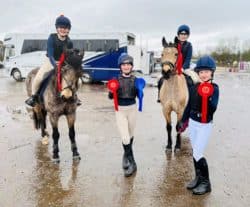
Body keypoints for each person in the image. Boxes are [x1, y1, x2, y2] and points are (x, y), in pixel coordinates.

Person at [178, 55, 219, 195]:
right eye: (201, 72)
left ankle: (206, 183)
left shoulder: (214, 88)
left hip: (204, 124)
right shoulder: (194, 87)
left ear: (212, 72)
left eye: (206, 71)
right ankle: (198, 178)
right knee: (195, 152)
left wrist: (206, 97)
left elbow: (213, 107)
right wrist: (183, 121)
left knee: (198, 153)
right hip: (193, 123)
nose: (203, 74)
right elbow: (188, 106)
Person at [25, 15, 74, 106]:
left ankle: (74, 96)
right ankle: (34, 97)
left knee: (77, 80)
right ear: (57, 28)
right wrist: (55, 65)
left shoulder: (69, 42)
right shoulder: (51, 38)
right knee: (38, 78)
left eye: (66, 28)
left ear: (69, 29)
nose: (63, 29)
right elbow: (51, 54)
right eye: (61, 27)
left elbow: (70, 56)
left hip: (63, 63)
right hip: (50, 61)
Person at [108, 53, 141, 177]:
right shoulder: (115, 80)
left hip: (132, 109)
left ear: (131, 66)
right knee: (125, 137)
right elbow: (110, 96)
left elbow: (139, 95)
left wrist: (140, 91)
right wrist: (112, 92)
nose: (126, 67)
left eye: (128, 65)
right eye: (124, 65)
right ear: (120, 66)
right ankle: (133, 163)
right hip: (120, 110)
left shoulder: (136, 79)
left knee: (131, 135)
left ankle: (125, 155)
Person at [157, 24, 193, 102]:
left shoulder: (189, 45)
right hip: (173, 67)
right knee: (160, 79)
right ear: (178, 35)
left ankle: (191, 98)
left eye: (185, 34)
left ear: (188, 35)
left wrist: (183, 68)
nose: (183, 36)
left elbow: (188, 59)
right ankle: (160, 96)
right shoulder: (175, 45)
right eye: (181, 34)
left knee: (192, 80)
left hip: (184, 68)